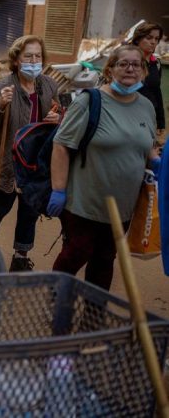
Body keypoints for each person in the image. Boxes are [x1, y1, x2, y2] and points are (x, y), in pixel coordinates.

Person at [49, 45, 158, 291]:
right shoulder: (90, 101)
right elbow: (61, 145)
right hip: (85, 203)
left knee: (104, 261)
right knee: (75, 254)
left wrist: (157, 162)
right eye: (123, 64)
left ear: (143, 70)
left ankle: (93, 315)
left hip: (123, 207)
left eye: (136, 64)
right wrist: (58, 189)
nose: (130, 69)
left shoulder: (146, 107)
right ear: (110, 69)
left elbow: (147, 146)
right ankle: (57, 304)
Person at [0, 35, 60, 272]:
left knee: (29, 212)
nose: (33, 60)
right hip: (8, 163)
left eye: (38, 56)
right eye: (28, 56)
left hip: (36, 165)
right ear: (17, 60)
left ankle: (20, 255)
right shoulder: (3, 87)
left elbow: (61, 119)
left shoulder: (50, 85)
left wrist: (59, 118)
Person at [131, 22, 165, 136]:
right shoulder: (128, 62)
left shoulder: (156, 63)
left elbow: (157, 91)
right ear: (137, 39)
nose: (153, 42)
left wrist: (161, 121)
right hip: (129, 115)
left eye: (156, 39)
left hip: (149, 116)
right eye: (149, 38)